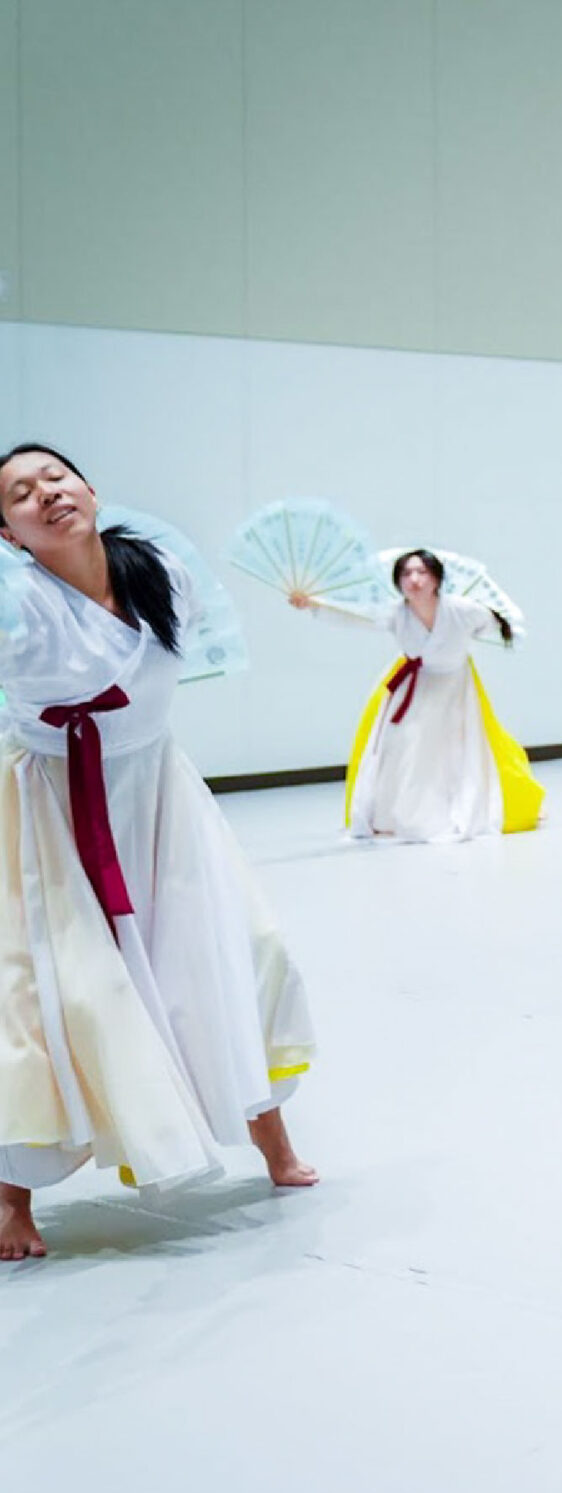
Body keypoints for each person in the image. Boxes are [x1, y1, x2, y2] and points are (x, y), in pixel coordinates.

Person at [0, 444, 319, 1260]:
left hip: (160, 795)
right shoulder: (17, 606)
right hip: (50, 807)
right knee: (52, 998)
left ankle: (272, 1141)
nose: (47, 495)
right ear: (7, 533)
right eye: (22, 495)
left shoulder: (159, 572)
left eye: (56, 478)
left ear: (91, 489)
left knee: (245, 951)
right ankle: (13, 1203)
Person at [292, 548, 543, 842]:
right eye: (406, 573)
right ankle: (396, 813)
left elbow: (494, 622)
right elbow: (357, 617)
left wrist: (494, 631)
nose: (414, 579)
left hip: (455, 687)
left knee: (457, 749)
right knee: (402, 744)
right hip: (416, 686)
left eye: (421, 572)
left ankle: (451, 808)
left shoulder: (463, 609)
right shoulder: (396, 613)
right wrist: (314, 604)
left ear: (436, 578)